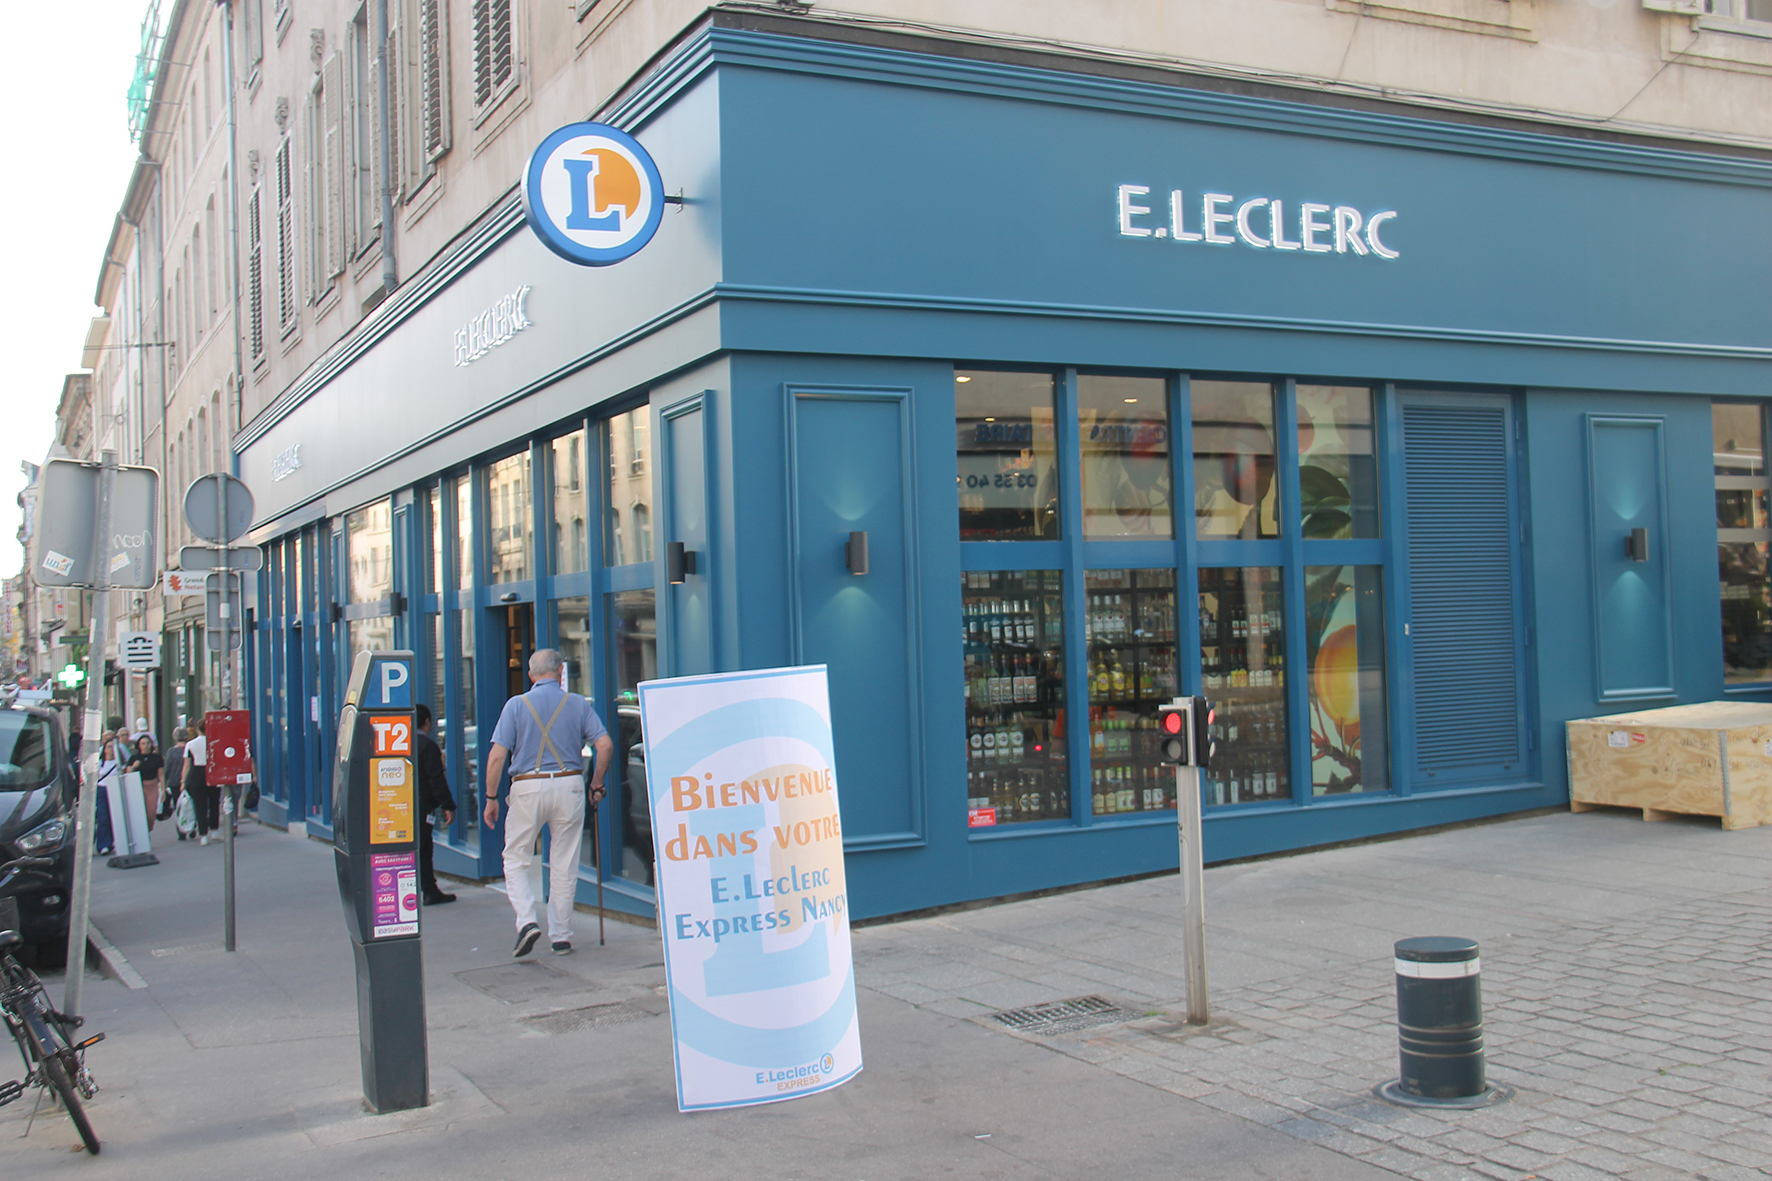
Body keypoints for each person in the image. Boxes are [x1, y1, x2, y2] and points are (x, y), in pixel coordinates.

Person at [483, 649, 613, 958]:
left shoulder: (516, 705)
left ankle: (527, 921)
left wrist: (490, 797)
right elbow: (604, 745)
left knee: (515, 858)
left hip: (528, 786)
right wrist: (597, 781)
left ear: (530, 675)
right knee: (564, 863)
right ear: (560, 672)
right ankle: (561, 936)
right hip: (569, 784)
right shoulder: (579, 704)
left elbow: (498, 756)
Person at [412, 703, 458, 906]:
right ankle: (429, 889)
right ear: (427, 722)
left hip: (403, 803)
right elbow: (435, 778)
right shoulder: (427, 746)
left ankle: (411, 889)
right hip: (423, 804)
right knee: (423, 847)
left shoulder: (401, 744)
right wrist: (448, 805)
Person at [183, 718, 220, 846]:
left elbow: (187, 765)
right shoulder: (215, 743)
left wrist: (183, 781)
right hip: (212, 771)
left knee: (200, 805)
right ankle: (214, 830)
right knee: (214, 803)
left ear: (198, 729)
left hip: (197, 772)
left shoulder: (190, 744)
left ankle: (203, 834)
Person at [125, 735, 165, 832]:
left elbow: (161, 775)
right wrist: (134, 767)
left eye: (148, 743)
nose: (146, 746)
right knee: (140, 812)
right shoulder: (134, 758)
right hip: (139, 786)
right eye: (143, 744)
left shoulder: (157, 758)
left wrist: (163, 790)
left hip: (152, 785)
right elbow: (127, 773)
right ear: (139, 746)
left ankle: (148, 828)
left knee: (151, 813)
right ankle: (142, 833)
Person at [94, 733, 121, 857]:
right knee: (103, 818)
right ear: (104, 750)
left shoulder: (119, 763)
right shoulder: (100, 763)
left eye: (113, 747)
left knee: (113, 818)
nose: (111, 750)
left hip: (115, 789)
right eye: (109, 747)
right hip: (102, 790)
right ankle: (103, 845)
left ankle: (111, 843)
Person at [163, 728, 187, 831]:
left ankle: (180, 828)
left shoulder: (171, 751)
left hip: (175, 781)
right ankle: (191, 825)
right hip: (188, 780)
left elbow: (167, 767)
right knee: (189, 804)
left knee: (178, 805)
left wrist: (164, 781)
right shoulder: (189, 748)